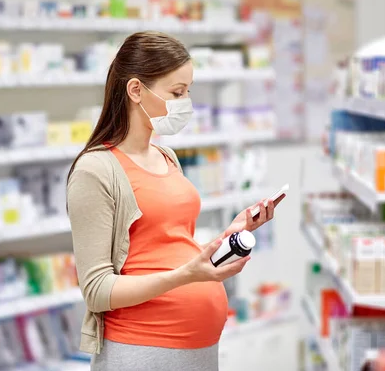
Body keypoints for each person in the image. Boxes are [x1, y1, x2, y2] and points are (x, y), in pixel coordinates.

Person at [67, 31, 276, 371]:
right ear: (136, 90)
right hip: (143, 351)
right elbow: (97, 289)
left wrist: (228, 236)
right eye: (177, 93)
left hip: (199, 350)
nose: (185, 103)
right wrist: (184, 277)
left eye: (187, 92)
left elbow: (168, 246)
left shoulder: (166, 157)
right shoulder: (95, 170)